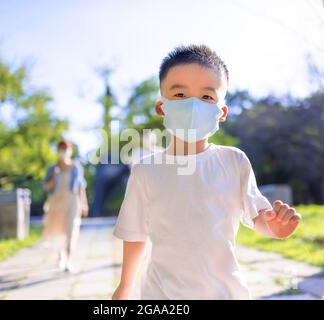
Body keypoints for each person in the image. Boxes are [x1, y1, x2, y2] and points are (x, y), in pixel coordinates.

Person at [112, 44, 301, 300]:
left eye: (206, 97)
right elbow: (135, 233)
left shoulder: (234, 162)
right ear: (162, 106)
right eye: (179, 95)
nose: (192, 105)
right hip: (161, 295)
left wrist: (276, 229)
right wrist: (125, 286)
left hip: (225, 293)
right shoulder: (145, 170)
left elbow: (258, 218)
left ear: (221, 112)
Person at [42, 140, 88, 272]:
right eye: (61, 149)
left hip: (72, 202)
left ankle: (68, 259)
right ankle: (60, 257)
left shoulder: (76, 167)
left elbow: (81, 187)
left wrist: (84, 203)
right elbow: (47, 187)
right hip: (56, 203)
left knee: (71, 230)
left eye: (66, 149)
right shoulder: (53, 168)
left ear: (70, 151)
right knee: (58, 231)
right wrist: (54, 175)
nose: (64, 152)